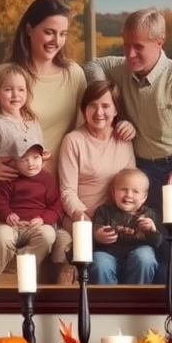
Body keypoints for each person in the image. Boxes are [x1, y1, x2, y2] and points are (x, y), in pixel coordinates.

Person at [85, 8, 172, 286]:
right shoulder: (120, 68)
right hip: (140, 168)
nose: (130, 54)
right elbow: (91, 67)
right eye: (126, 45)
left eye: (138, 47)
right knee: (143, 238)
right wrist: (117, 113)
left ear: (160, 42)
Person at [54, 80, 137, 283]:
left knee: (144, 259)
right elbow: (67, 192)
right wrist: (89, 227)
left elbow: (134, 184)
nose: (99, 112)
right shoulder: (73, 141)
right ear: (84, 109)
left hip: (118, 224)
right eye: (92, 105)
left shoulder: (123, 139)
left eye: (106, 106)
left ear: (116, 109)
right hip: (83, 222)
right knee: (101, 265)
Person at [6, 0, 87, 168]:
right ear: (29, 29)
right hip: (14, 185)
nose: (56, 41)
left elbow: (87, 130)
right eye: (49, 32)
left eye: (62, 34)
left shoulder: (74, 74)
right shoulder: (4, 74)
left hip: (61, 182)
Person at [0, 143, 62, 280]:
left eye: (36, 158)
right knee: (0, 236)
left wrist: (43, 219)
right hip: (11, 225)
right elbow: (0, 202)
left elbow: (56, 206)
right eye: (24, 159)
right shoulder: (10, 179)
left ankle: (23, 266)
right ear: (15, 162)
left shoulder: (47, 180)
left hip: (37, 226)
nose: (31, 164)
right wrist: (8, 214)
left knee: (48, 235)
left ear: (43, 159)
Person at [90, 167, 161, 284]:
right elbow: (93, 234)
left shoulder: (148, 214)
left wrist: (151, 230)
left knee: (145, 257)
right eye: (123, 189)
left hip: (137, 252)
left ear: (144, 197)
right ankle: (107, 300)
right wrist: (98, 236)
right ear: (113, 192)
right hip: (108, 253)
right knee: (99, 261)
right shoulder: (104, 211)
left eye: (135, 191)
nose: (128, 195)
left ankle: (136, 298)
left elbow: (157, 243)